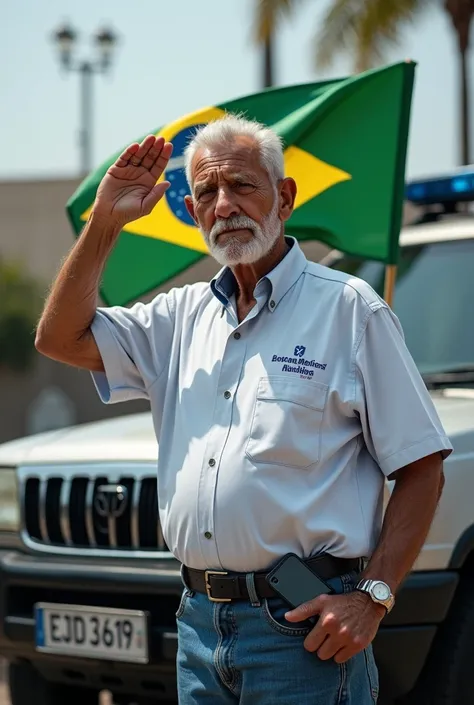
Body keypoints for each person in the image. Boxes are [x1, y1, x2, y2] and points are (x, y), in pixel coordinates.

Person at [35, 114, 453, 705]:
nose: (224, 204)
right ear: (193, 210)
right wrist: (105, 223)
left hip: (304, 632)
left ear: (284, 197)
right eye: (206, 192)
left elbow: (422, 467)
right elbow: (59, 339)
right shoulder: (178, 318)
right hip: (199, 628)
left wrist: (373, 597)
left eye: (242, 186)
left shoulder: (349, 309)